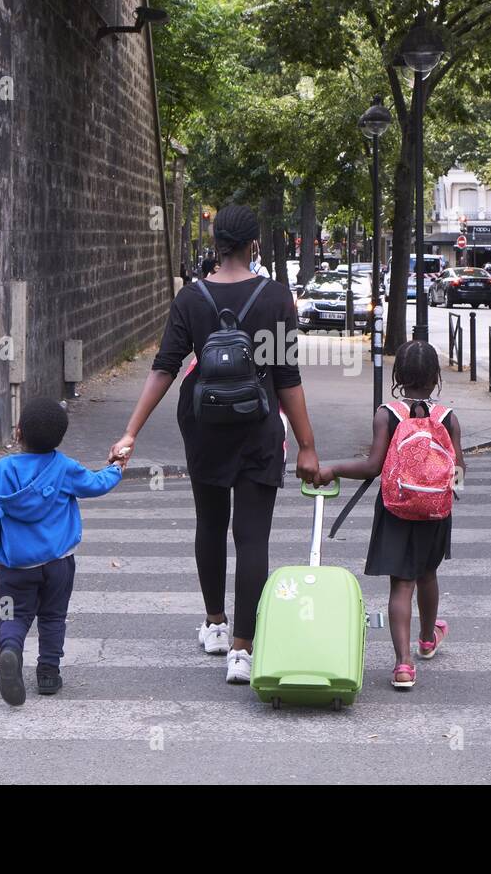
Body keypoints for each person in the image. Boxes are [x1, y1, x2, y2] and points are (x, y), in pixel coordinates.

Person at [109, 204, 319, 685]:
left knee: (210, 523)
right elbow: (287, 378)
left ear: (217, 243)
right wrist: (307, 445)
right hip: (258, 428)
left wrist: (130, 432)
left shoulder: (191, 298)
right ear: (254, 246)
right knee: (252, 538)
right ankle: (243, 652)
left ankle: (215, 625)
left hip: (203, 428)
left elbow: (164, 367)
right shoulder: (275, 298)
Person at [313, 341, 462, 691]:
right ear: (436, 376)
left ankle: (403, 665)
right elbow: (458, 471)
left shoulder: (388, 414)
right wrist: (441, 491)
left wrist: (331, 469)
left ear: (397, 375)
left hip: (396, 509)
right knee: (427, 574)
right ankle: (427, 639)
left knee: (402, 583)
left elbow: (372, 467)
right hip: (435, 511)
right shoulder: (448, 417)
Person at [0, 397, 125, 706]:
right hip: (59, 565)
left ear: (18, 432)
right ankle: (48, 674)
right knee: (54, 617)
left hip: (13, 569)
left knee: (10, 615)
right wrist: (115, 468)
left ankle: (10, 650)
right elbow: (96, 484)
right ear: (59, 438)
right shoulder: (64, 468)